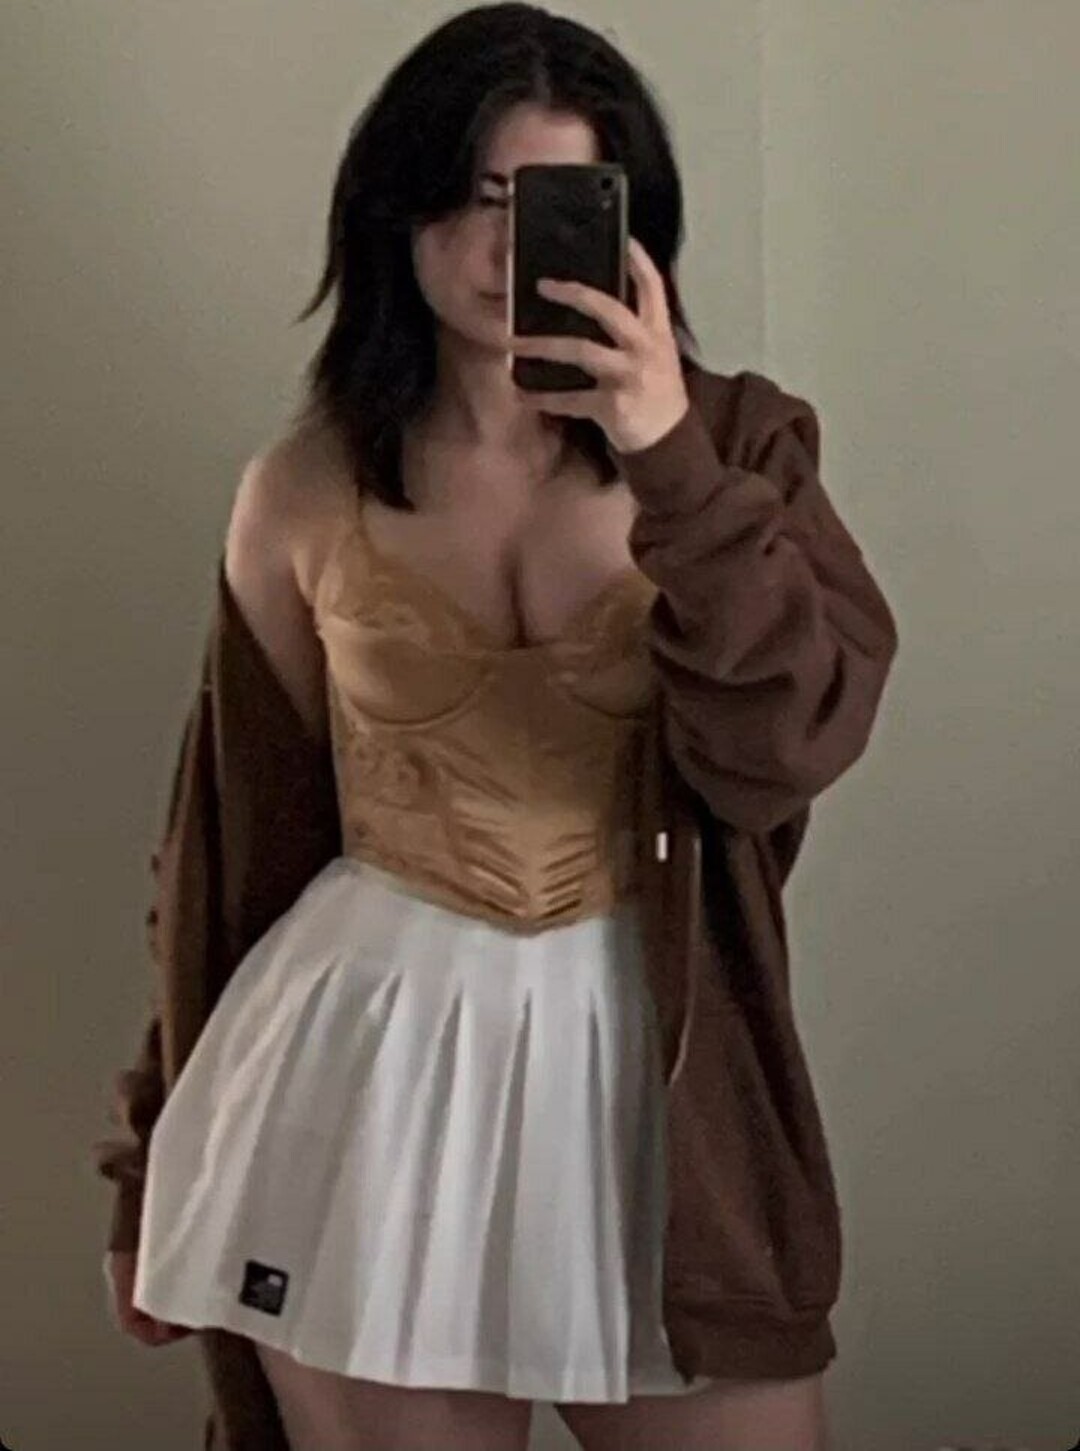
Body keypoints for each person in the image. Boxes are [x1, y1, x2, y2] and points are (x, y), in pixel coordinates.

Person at [99, 5, 898, 1448]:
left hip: (659, 1075)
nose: (508, 246)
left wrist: (665, 454)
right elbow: (228, 847)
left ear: (633, 225)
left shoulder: (742, 447)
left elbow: (792, 743)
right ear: (396, 209)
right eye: (476, 196)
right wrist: (147, 1156)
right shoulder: (302, 488)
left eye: (556, 202)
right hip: (358, 1068)